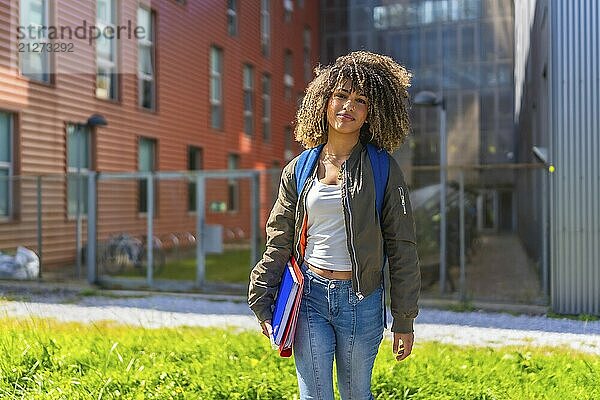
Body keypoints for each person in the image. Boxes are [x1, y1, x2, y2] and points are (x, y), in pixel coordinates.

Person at [248, 51, 420, 400]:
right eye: (340, 95)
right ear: (324, 101)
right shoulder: (299, 168)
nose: (348, 106)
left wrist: (404, 319)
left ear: (372, 111)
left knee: (357, 394)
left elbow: (402, 246)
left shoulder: (383, 168)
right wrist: (261, 296)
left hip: (361, 300)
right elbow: (279, 239)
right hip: (309, 297)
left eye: (360, 100)